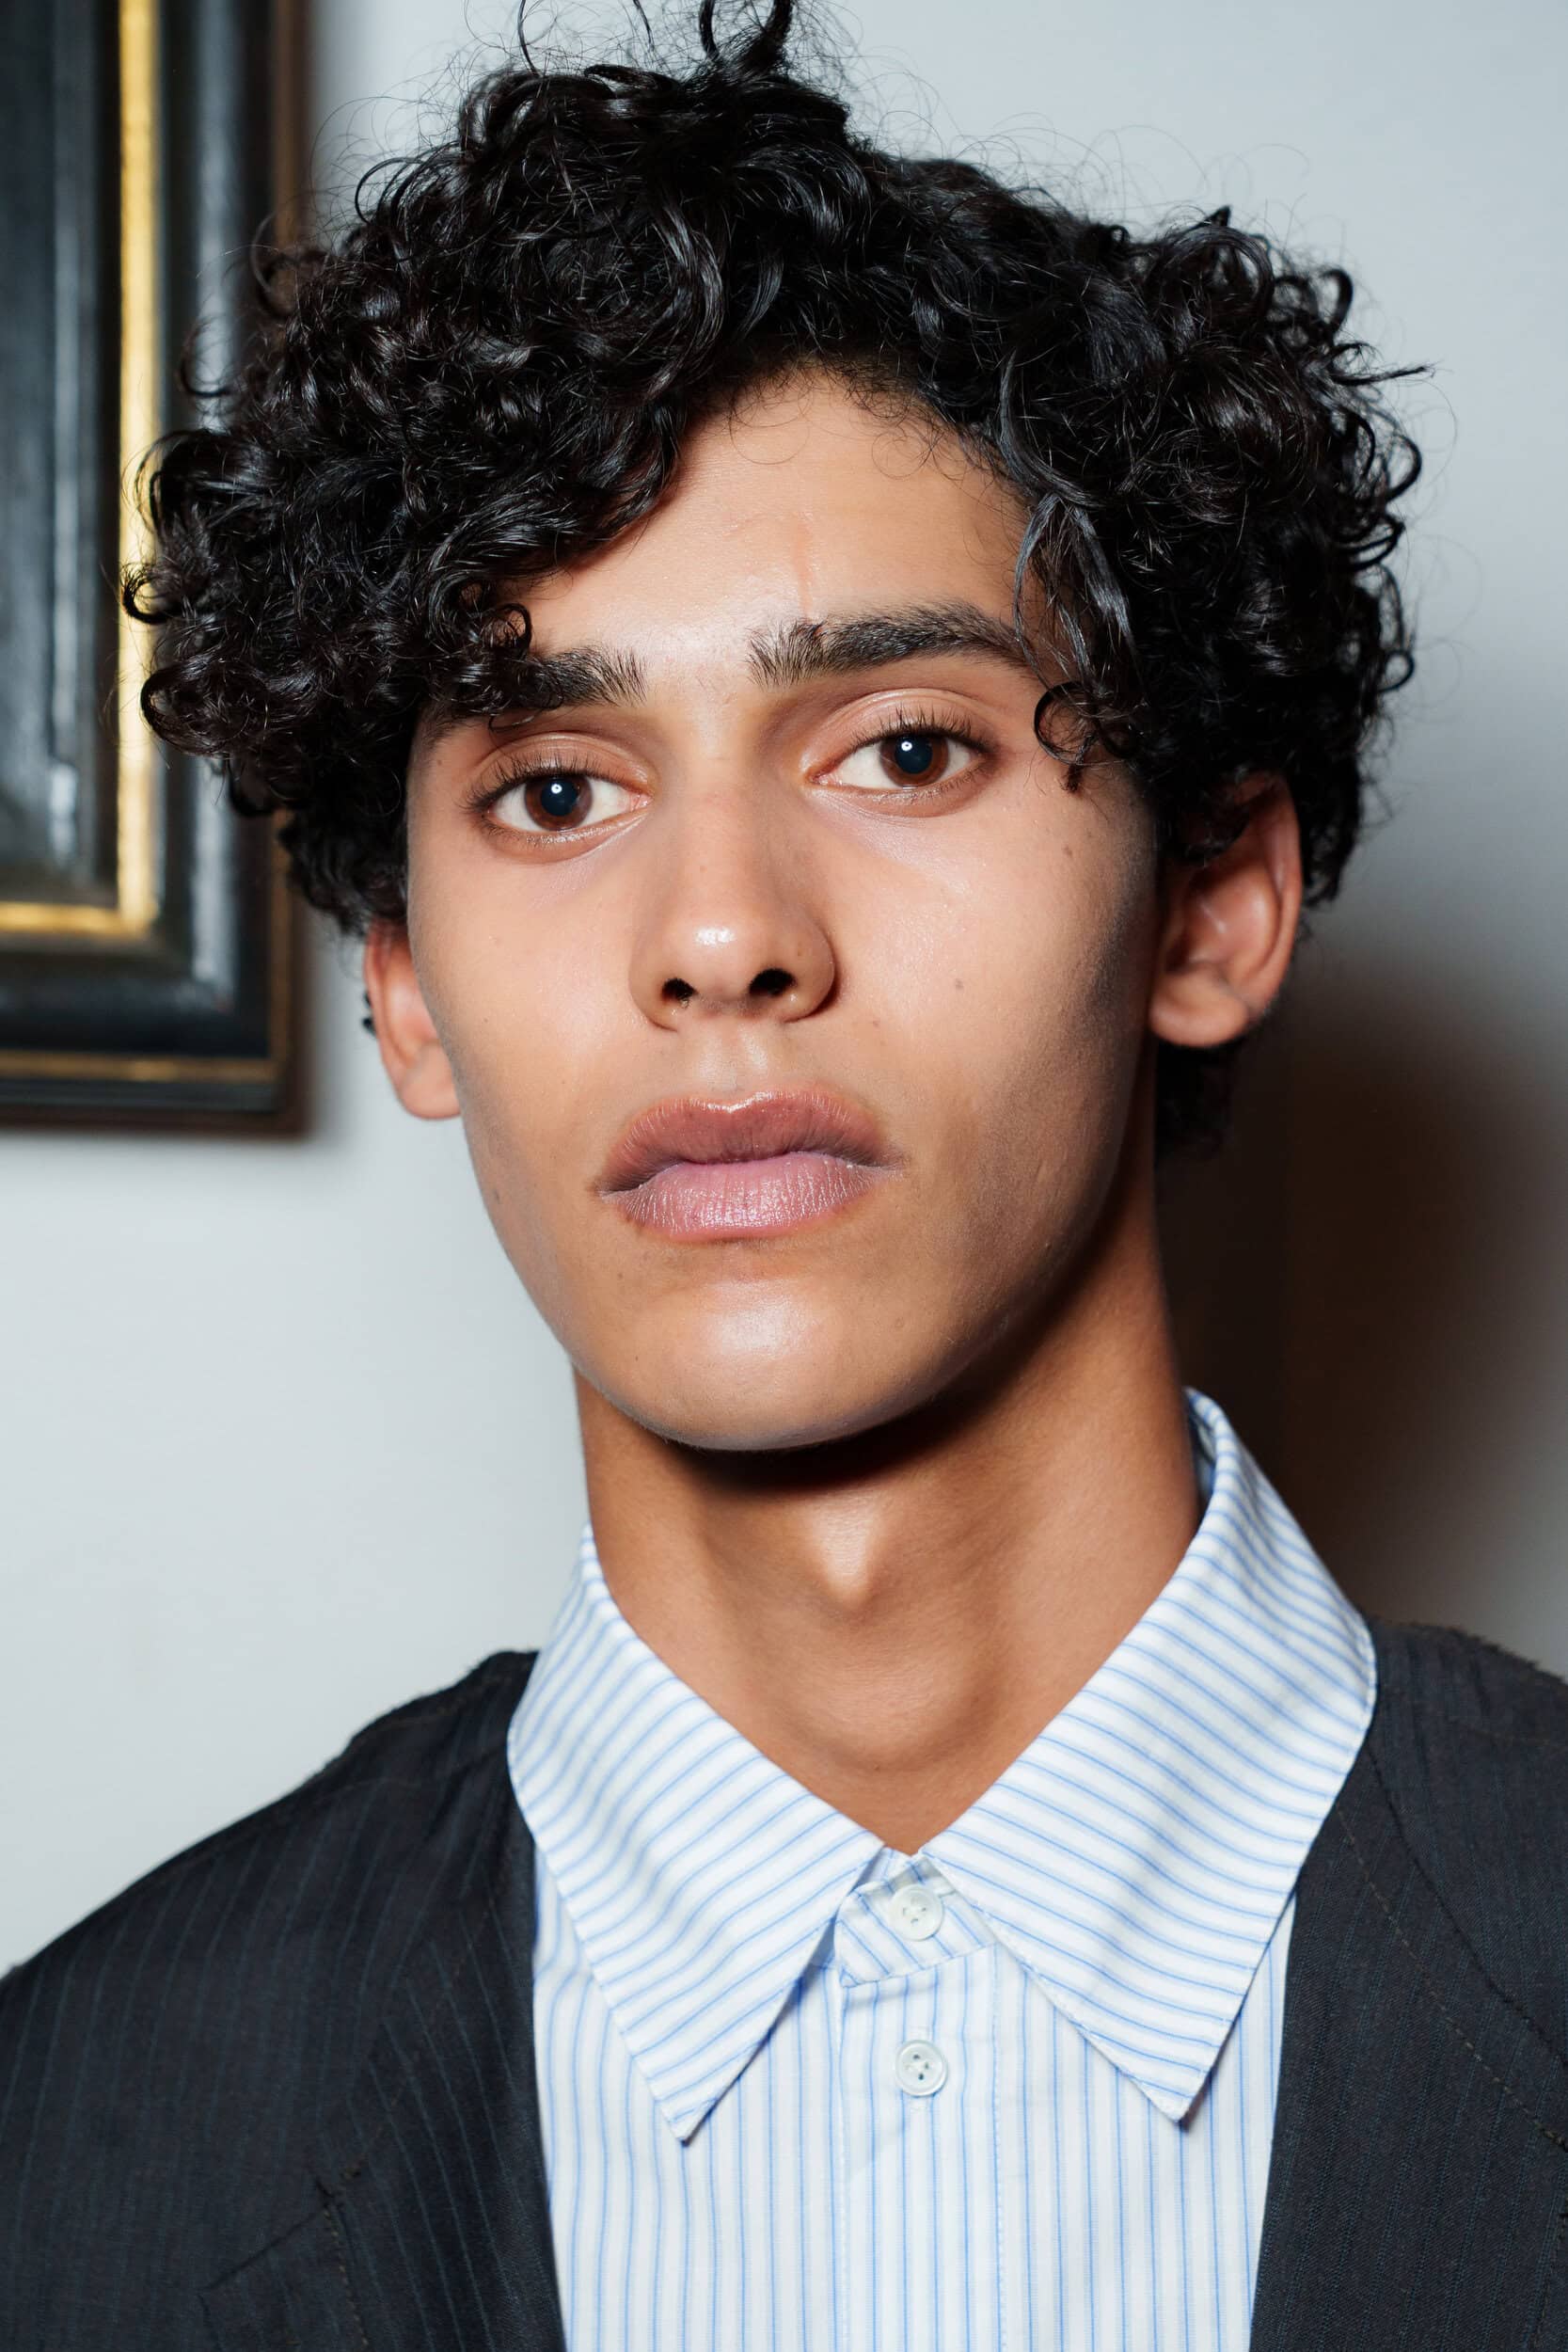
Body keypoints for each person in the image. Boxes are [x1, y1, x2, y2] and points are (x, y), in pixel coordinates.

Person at [7, 4, 1568, 2346]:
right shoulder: (64, 2139)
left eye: (905, 747)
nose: (723, 932)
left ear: (1211, 904)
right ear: (405, 985)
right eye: (557, 789)